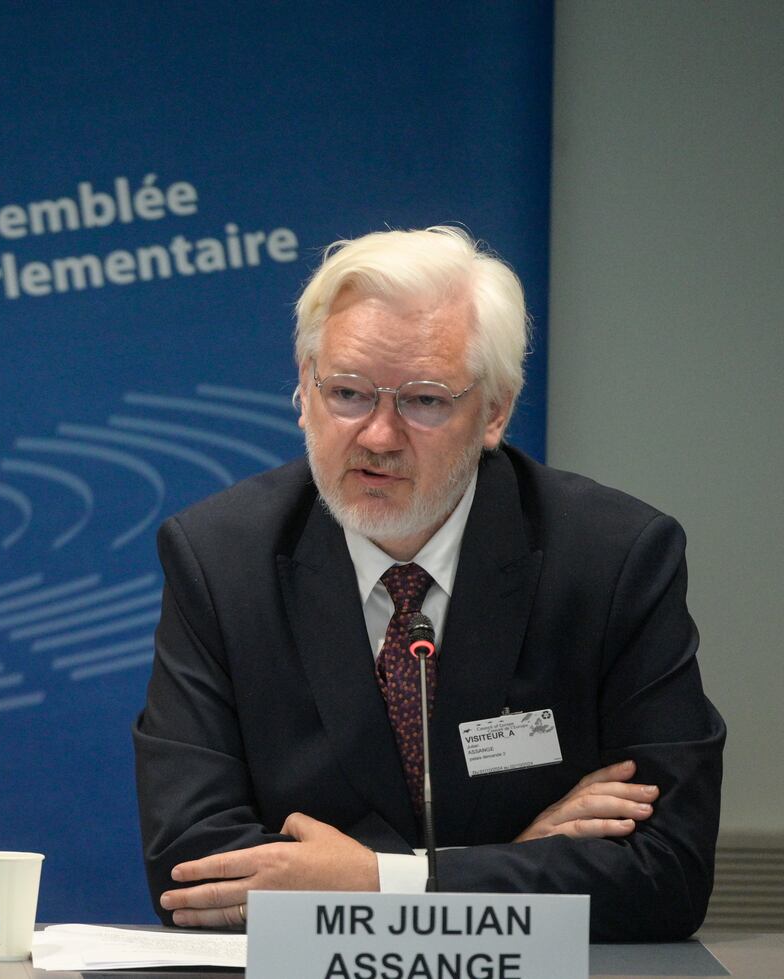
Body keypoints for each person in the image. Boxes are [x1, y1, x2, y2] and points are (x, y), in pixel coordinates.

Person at [133, 226, 724, 942]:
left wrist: (384, 881)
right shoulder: (221, 561)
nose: (378, 435)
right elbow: (194, 871)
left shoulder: (612, 560)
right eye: (347, 392)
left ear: (495, 411)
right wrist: (505, 867)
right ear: (302, 389)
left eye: (423, 401)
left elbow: (668, 873)